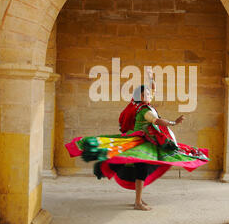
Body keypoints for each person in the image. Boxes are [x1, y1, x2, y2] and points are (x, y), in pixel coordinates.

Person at [65, 70, 209, 211]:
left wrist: (151, 78)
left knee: (141, 169)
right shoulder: (144, 110)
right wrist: (174, 123)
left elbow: (153, 90)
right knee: (141, 169)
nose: (148, 95)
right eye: (144, 94)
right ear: (139, 97)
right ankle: (137, 202)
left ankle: (136, 197)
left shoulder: (145, 104)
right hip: (141, 142)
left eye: (147, 93)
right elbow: (157, 121)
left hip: (147, 140)